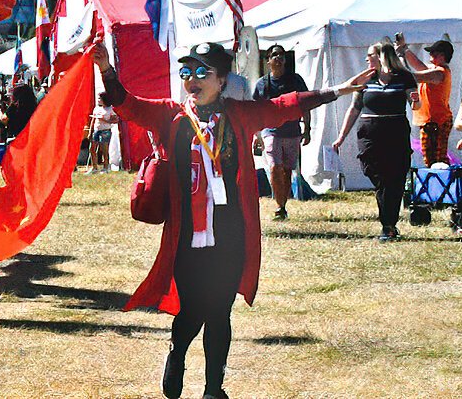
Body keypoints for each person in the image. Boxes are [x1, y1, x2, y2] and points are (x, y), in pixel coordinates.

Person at [99, 42, 370, 399]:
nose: (191, 80)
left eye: (201, 72)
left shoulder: (240, 115)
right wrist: (105, 68)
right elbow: (129, 105)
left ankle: (214, 389)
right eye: (186, 72)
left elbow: (283, 107)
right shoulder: (173, 116)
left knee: (220, 310)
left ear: (222, 80)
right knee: (193, 308)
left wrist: (337, 90)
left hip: (230, 234)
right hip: (187, 236)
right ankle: (177, 353)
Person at [332, 42, 418, 242]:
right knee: (374, 172)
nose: (366, 59)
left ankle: (388, 225)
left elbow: (415, 103)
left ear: (381, 56)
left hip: (396, 132)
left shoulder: (404, 76)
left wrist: (415, 98)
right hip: (370, 134)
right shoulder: (365, 78)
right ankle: (388, 221)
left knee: (395, 178)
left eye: (369, 55)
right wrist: (341, 136)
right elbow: (354, 108)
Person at [251, 46, 311, 221]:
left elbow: (305, 104)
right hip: (271, 132)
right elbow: (254, 110)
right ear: (268, 61)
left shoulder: (295, 80)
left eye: (281, 55)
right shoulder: (262, 83)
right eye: (274, 55)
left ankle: (282, 205)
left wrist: (307, 129)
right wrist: (256, 134)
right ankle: (278, 206)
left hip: (292, 131)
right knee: (274, 168)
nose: (278, 58)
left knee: (286, 170)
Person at [398, 36, 453, 165]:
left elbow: (413, 77)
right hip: (432, 121)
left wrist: (401, 58)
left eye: (434, 53)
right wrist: (404, 49)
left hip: (436, 122)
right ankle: (438, 183)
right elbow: (418, 65)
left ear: (442, 56)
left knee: (436, 161)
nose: (431, 54)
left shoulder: (439, 72)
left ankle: (440, 183)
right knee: (432, 159)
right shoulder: (434, 69)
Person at [87, 98, 120, 174]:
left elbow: (116, 120)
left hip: (105, 130)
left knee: (104, 149)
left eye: (100, 98)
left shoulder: (110, 109)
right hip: (96, 130)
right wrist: (90, 131)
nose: (98, 100)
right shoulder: (96, 108)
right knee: (92, 148)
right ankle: (94, 167)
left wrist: (104, 120)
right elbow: (93, 120)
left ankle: (106, 167)